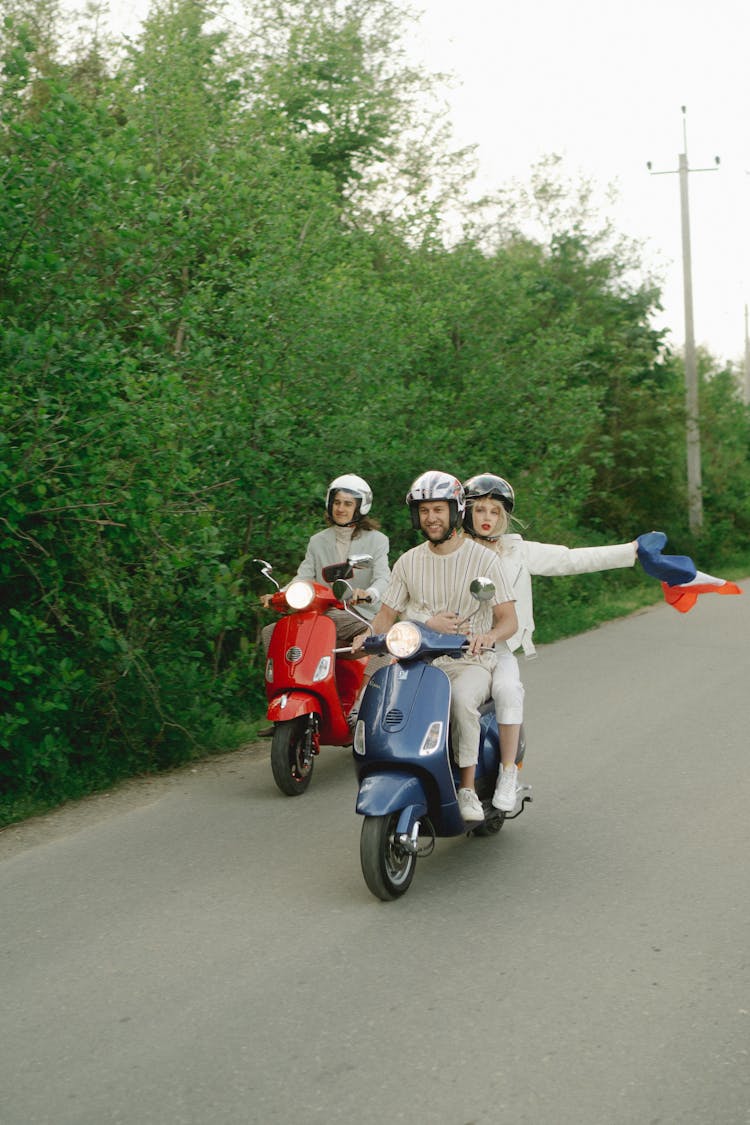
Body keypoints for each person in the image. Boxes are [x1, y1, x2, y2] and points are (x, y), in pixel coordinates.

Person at [462, 473, 638, 812]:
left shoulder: (518, 550)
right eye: (480, 510)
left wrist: (631, 551)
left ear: (505, 517)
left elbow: (571, 559)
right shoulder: (458, 550)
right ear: (467, 513)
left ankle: (508, 771)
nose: (486, 518)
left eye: (494, 511)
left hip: (498, 648)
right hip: (454, 648)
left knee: (509, 690)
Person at [352, 471, 518, 824]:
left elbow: (508, 620)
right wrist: (365, 638)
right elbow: (385, 616)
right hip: (417, 662)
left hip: (470, 660)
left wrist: (487, 636)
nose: (431, 518)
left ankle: (468, 787)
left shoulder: (484, 561)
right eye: (424, 510)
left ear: (455, 511)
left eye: (439, 509)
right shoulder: (409, 561)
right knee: (387, 702)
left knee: (459, 701)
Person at [260, 474, 391, 725]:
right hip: (325, 614)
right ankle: (282, 699)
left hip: (359, 615)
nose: (340, 508)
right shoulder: (318, 541)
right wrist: (279, 594)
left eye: (348, 503)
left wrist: (368, 593)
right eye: (337, 502)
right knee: (271, 632)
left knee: (382, 640)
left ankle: (361, 704)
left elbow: (384, 578)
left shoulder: (377, 540)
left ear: (360, 507)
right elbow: (304, 576)